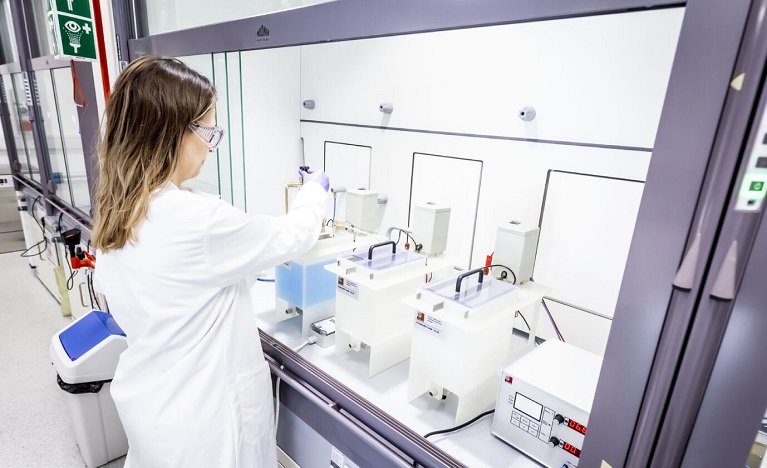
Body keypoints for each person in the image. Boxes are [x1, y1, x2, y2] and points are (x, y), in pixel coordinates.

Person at [91, 55, 328, 467]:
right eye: (207, 131)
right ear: (169, 132)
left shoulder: (119, 209)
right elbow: (294, 235)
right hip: (205, 424)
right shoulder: (198, 222)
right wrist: (315, 192)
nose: (211, 146)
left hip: (153, 405)